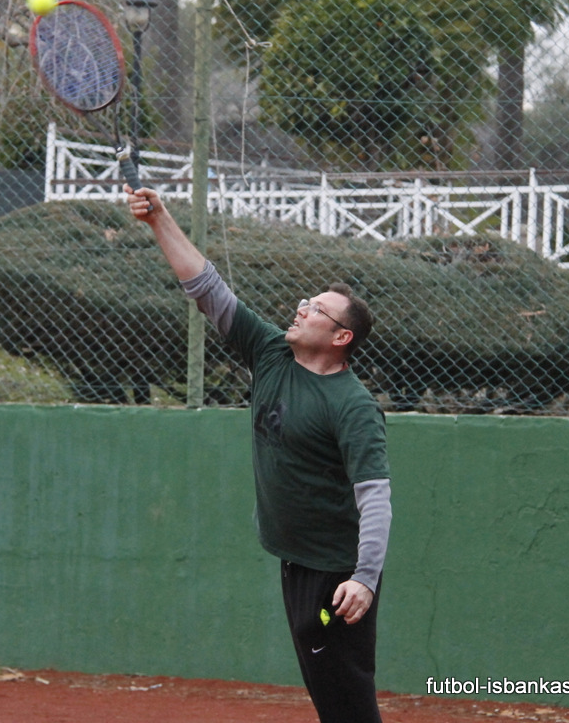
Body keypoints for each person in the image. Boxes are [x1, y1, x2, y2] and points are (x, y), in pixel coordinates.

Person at [126, 184, 392, 723]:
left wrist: (364, 579)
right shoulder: (271, 353)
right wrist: (159, 220)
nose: (301, 309)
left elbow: (375, 498)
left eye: (315, 309)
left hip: (336, 580)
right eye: (305, 302)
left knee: (345, 696)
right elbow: (206, 287)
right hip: (296, 561)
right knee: (328, 688)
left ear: (340, 337)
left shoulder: (353, 406)